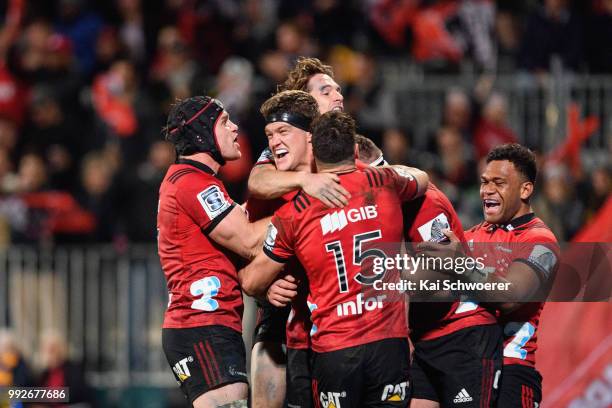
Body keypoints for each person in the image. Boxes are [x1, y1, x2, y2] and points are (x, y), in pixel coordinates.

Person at [240, 111, 429, 407]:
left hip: (335, 347)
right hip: (388, 343)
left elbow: (252, 281)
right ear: (354, 150)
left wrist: (264, 284)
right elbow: (421, 179)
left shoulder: (294, 212)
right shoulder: (384, 181)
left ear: (314, 150)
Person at [246, 57, 352, 408]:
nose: (337, 95)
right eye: (325, 91)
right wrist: (267, 281)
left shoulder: (349, 145)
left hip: (342, 304)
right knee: (272, 323)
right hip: (293, 296)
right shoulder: (284, 147)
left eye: (337, 89)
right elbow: (257, 182)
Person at [425, 144, 559, 407]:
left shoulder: (540, 241)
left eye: (499, 183)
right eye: (484, 182)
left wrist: (461, 264)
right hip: (462, 363)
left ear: (525, 189)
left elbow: (510, 297)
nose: (487, 190)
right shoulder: (471, 235)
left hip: (512, 370)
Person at [157, 95, 270, 408]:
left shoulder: (195, 182)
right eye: (224, 122)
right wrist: (302, 207)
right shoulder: (192, 183)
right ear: (201, 133)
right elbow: (249, 239)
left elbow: (245, 222)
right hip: (202, 326)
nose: (235, 128)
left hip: (208, 325)